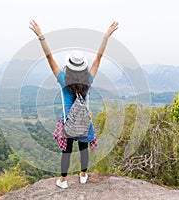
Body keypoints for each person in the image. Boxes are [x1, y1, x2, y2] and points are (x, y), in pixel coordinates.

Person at [29, 20, 118, 189]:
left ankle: (63, 180)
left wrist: (41, 36)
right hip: (85, 121)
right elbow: (99, 57)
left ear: (69, 66)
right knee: (83, 148)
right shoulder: (89, 80)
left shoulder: (63, 80)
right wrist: (106, 36)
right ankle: (83, 175)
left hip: (67, 121)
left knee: (66, 152)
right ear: (83, 67)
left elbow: (49, 57)